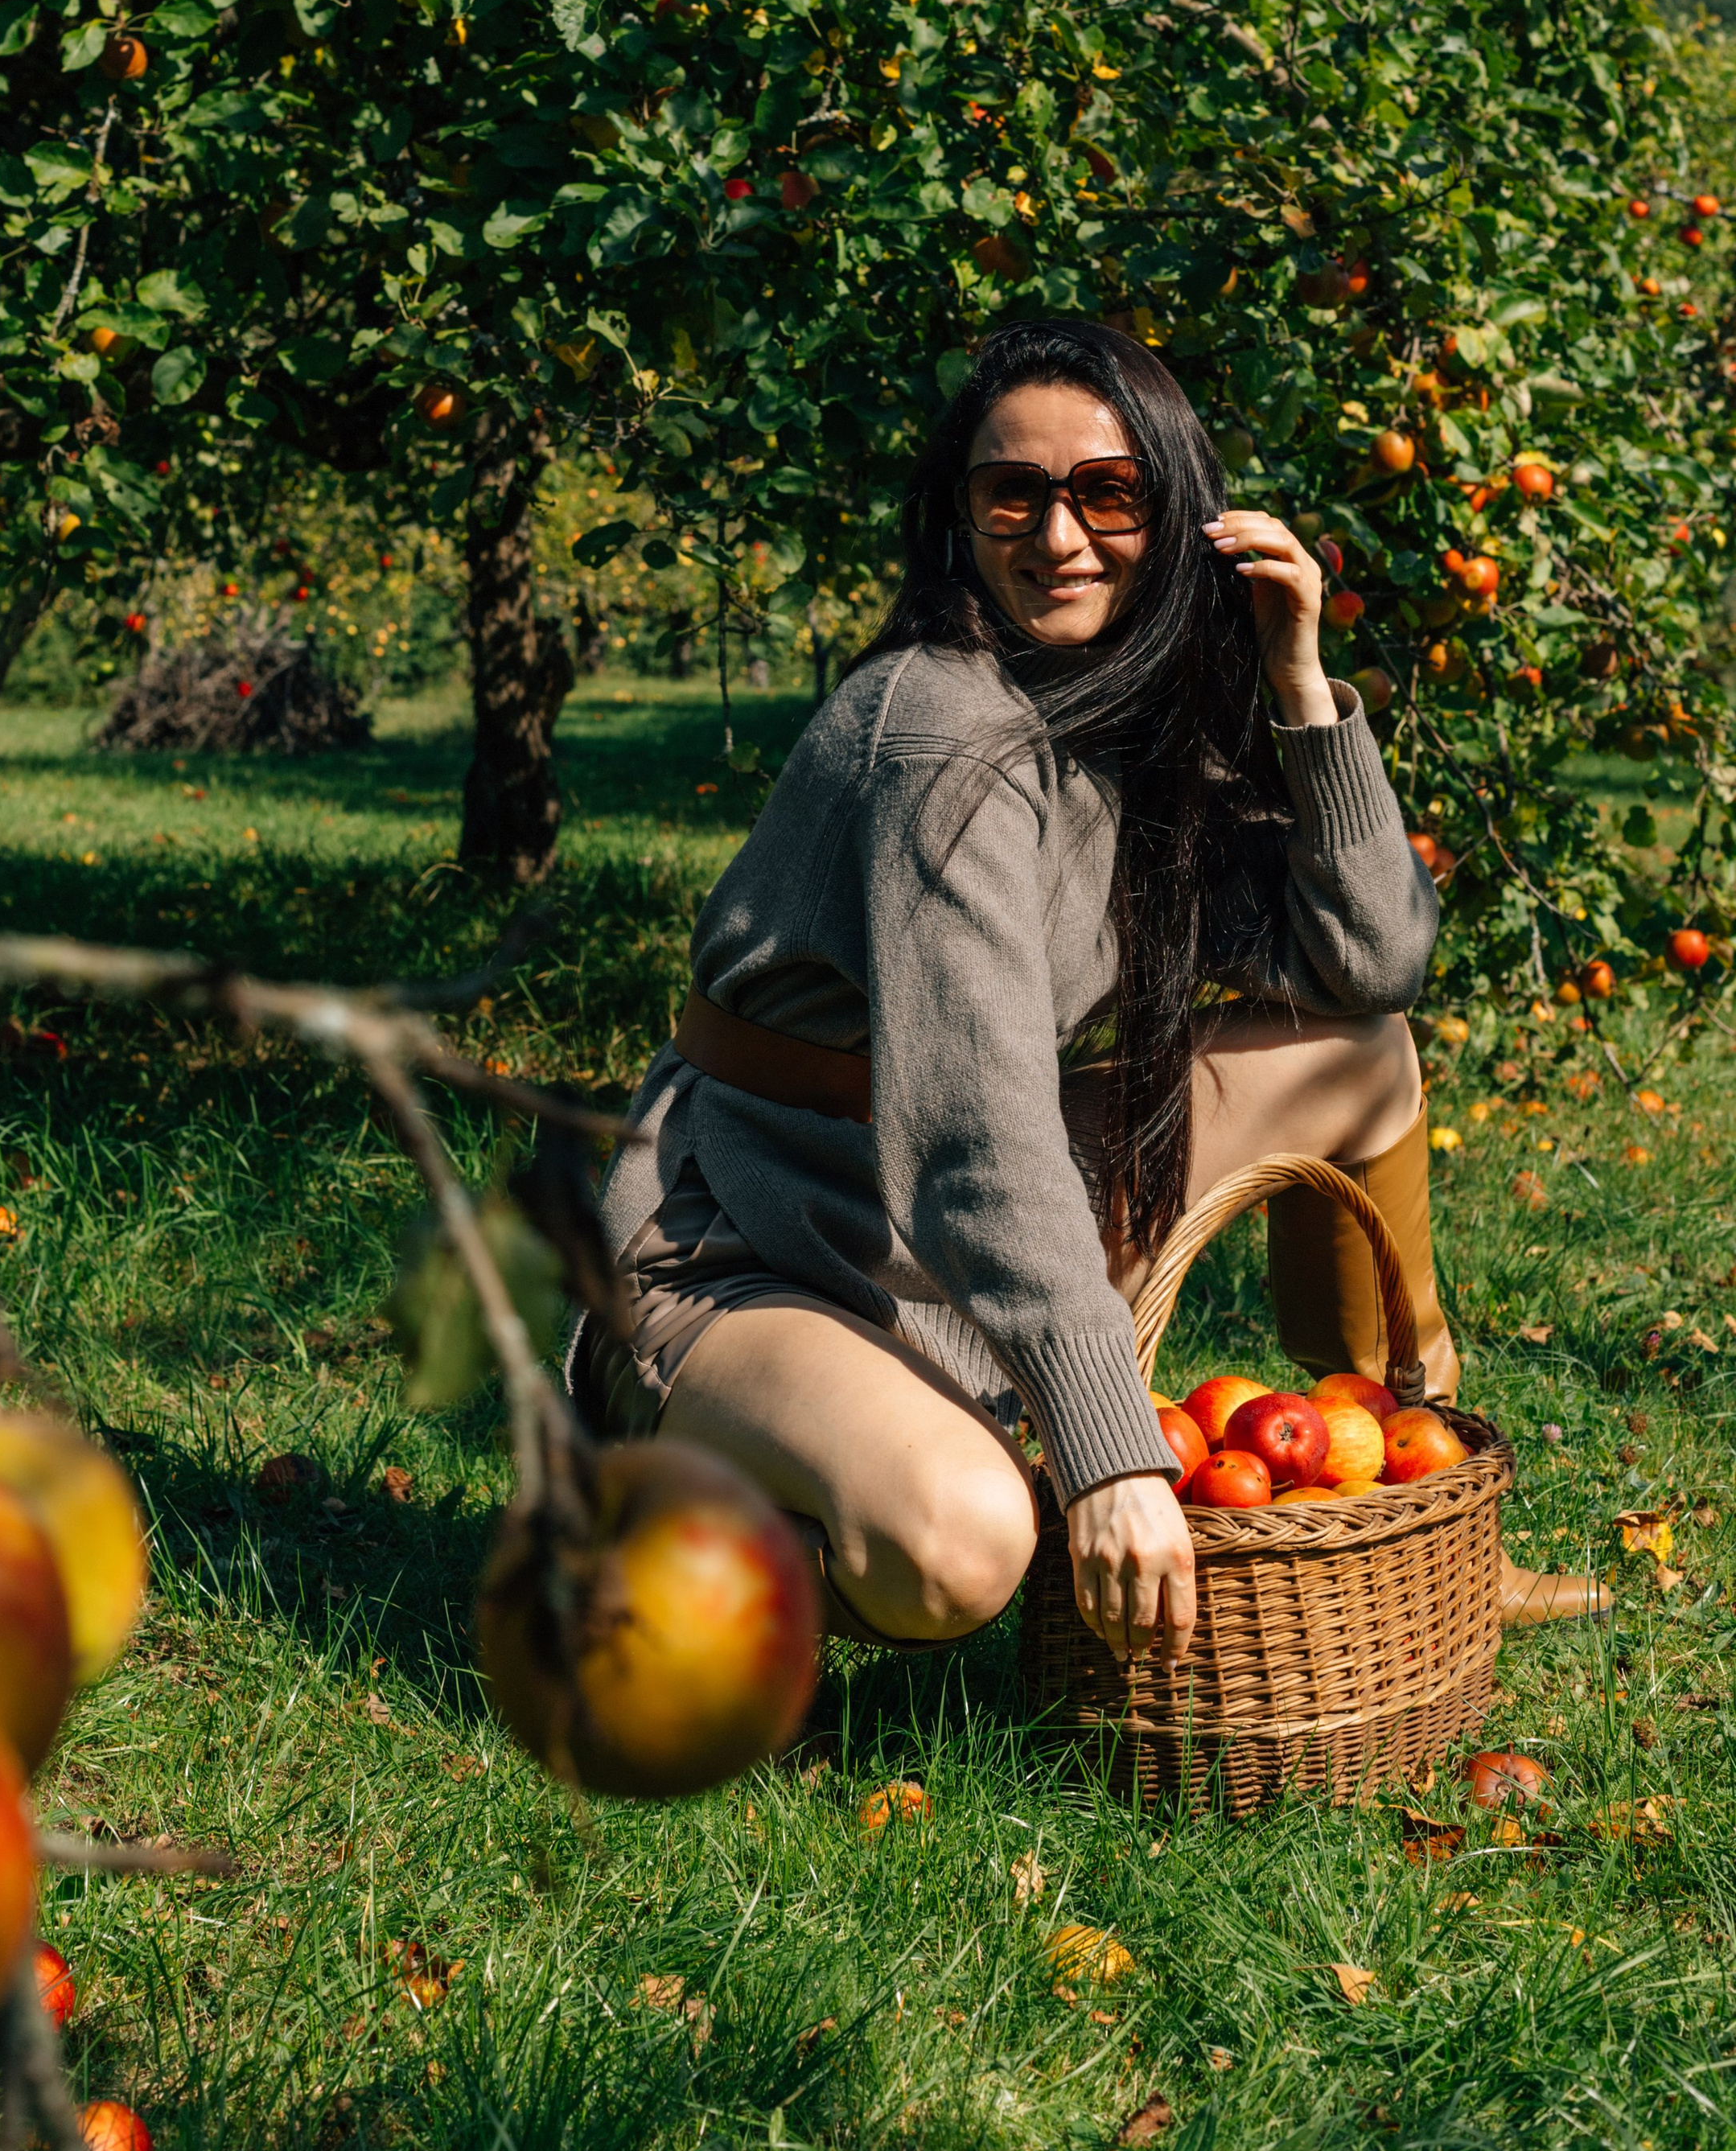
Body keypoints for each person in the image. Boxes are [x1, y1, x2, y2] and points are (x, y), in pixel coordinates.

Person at [572, 318, 1602, 1652]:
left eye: (1106, 494)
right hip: (757, 1250)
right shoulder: (941, 733)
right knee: (964, 1543)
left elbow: (1373, 966)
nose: (1059, 538)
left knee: (1362, 1053)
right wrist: (1113, 1452)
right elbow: (971, 1138)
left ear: (1175, 513)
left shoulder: (1130, 708)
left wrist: (1301, 691)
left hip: (939, 1217)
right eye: (1017, 493)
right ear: (961, 514)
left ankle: (1410, 1489)